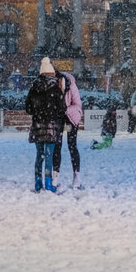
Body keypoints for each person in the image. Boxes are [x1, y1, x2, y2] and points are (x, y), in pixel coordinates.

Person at [25, 57, 65, 192]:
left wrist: (38, 111)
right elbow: (62, 108)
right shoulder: (56, 88)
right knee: (49, 155)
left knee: (39, 155)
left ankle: (37, 183)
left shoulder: (34, 87)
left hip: (37, 126)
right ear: (52, 72)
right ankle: (49, 184)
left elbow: (28, 109)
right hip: (51, 127)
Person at [51, 70, 83, 189]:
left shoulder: (72, 85)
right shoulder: (53, 85)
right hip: (58, 117)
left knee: (72, 145)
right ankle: (55, 176)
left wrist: (65, 109)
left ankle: (77, 177)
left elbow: (77, 104)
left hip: (71, 116)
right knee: (56, 145)